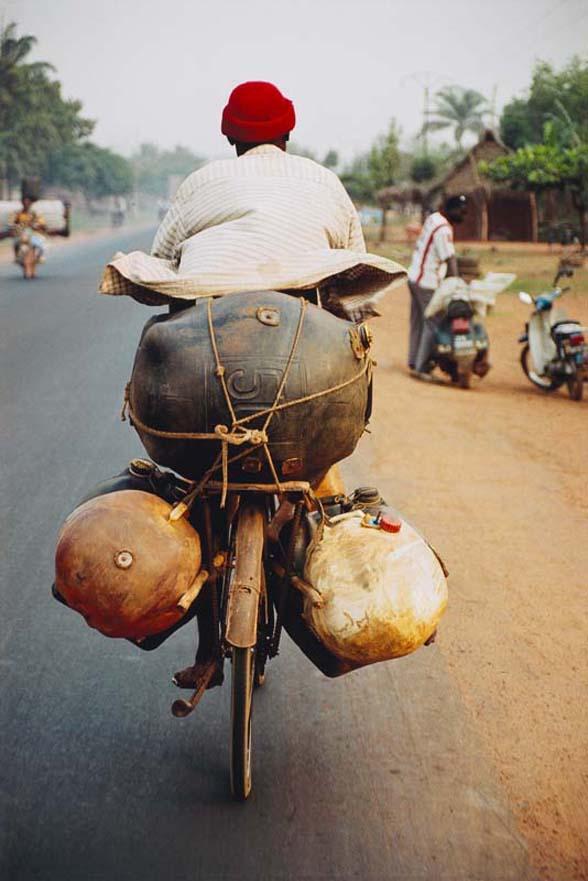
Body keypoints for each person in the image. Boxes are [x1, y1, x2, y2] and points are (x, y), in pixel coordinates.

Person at [100, 81, 405, 318]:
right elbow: (353, 261)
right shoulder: (324, 180)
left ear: (230, 136)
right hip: (309, 309)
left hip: (207, 309)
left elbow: (163, 258)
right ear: (288, 130)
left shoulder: (200, 182)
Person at [407, 195, 467, 380]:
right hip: (427, 281)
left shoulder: (433, 218)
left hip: (414, 276)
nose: (463, 216)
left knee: (418, 320)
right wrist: (456, 283)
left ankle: (413, 359)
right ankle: (422, 367)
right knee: (433, 322)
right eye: (461, 212)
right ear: (451, 210)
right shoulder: (443, 229)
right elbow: (450, 259)